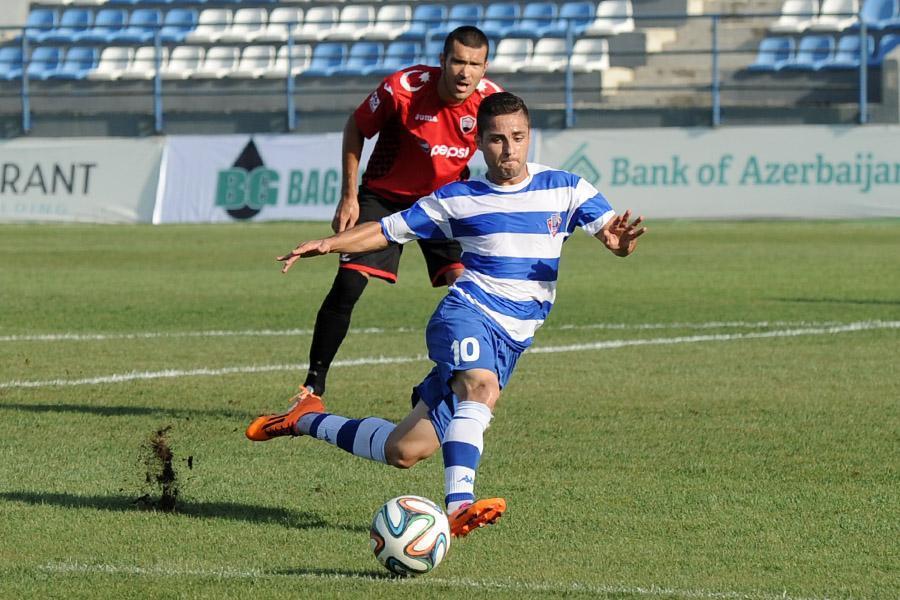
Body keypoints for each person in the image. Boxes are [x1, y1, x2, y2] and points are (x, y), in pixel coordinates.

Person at [247, 93, 647, 538]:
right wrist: (328, 244)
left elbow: (614, 236)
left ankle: (304, 418)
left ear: (529, 135)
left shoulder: (566, 188)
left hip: (511, 340)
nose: (509, 149)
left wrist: (621, 244)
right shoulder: (458, 199)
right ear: (479, 142)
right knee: (480, 386)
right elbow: (387, 230)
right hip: (468, 314)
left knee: (403, 450)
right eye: (497, 139)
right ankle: (460, 507)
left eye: (518, 137)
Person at [295, 26, 502, 406]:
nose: (465, 72)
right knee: (349, 284)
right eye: (458, 62)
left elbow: (506, 154)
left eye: (474, 65)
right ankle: (312, 386)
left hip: (443, 204)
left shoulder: (492, 103)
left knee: (469, 293)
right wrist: (349, 196)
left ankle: (451, 385)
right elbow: (357, 126)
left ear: (485, 67)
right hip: (384, 198)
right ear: (442, 61)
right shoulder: (403, 89)